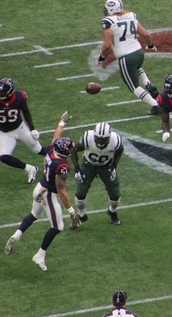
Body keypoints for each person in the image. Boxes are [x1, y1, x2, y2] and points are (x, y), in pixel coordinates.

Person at [4, 112, 82, 272]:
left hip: (39, 188)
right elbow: (61, 191)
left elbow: (56, 135)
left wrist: (62, 122)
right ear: (65, 152)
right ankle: (40, 254)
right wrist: (72, 211)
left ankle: (17, 235)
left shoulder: (52, 150)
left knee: (34, 215)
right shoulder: (62, 166)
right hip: (48, 194)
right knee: (58, 227)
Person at [96, 0, 161, 116]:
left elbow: (107, 45)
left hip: (126, 57)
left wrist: (101, 58)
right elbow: (146, 34)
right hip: (139, 53)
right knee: (136, 69)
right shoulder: (131, 15)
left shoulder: (108, 21)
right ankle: (148, 84)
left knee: (133, 86)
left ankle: (155, 105)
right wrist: (150, 45)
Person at [71, 122, 124, 225]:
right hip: (88, 164)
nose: (100, 141)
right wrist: (77, 169)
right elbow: (73, 150)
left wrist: (114, 166)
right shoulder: (88, 138)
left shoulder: (115, 140)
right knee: (80, 192)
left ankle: (112, 211)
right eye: (98, 138)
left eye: (103, 139)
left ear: (109, 137)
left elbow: (120, 150)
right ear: (94, 135)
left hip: (106, 165)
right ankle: (82, 215)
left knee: (115, 194)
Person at [0, 77, 49, 184]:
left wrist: (32, 129)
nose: (1, 93)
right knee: (3, 156)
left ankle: (63, 154)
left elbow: (26, 112)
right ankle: (30, 169)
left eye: (3, 91)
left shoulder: (19, 97)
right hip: (5, 133)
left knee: (39, 150)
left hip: (20, 129)